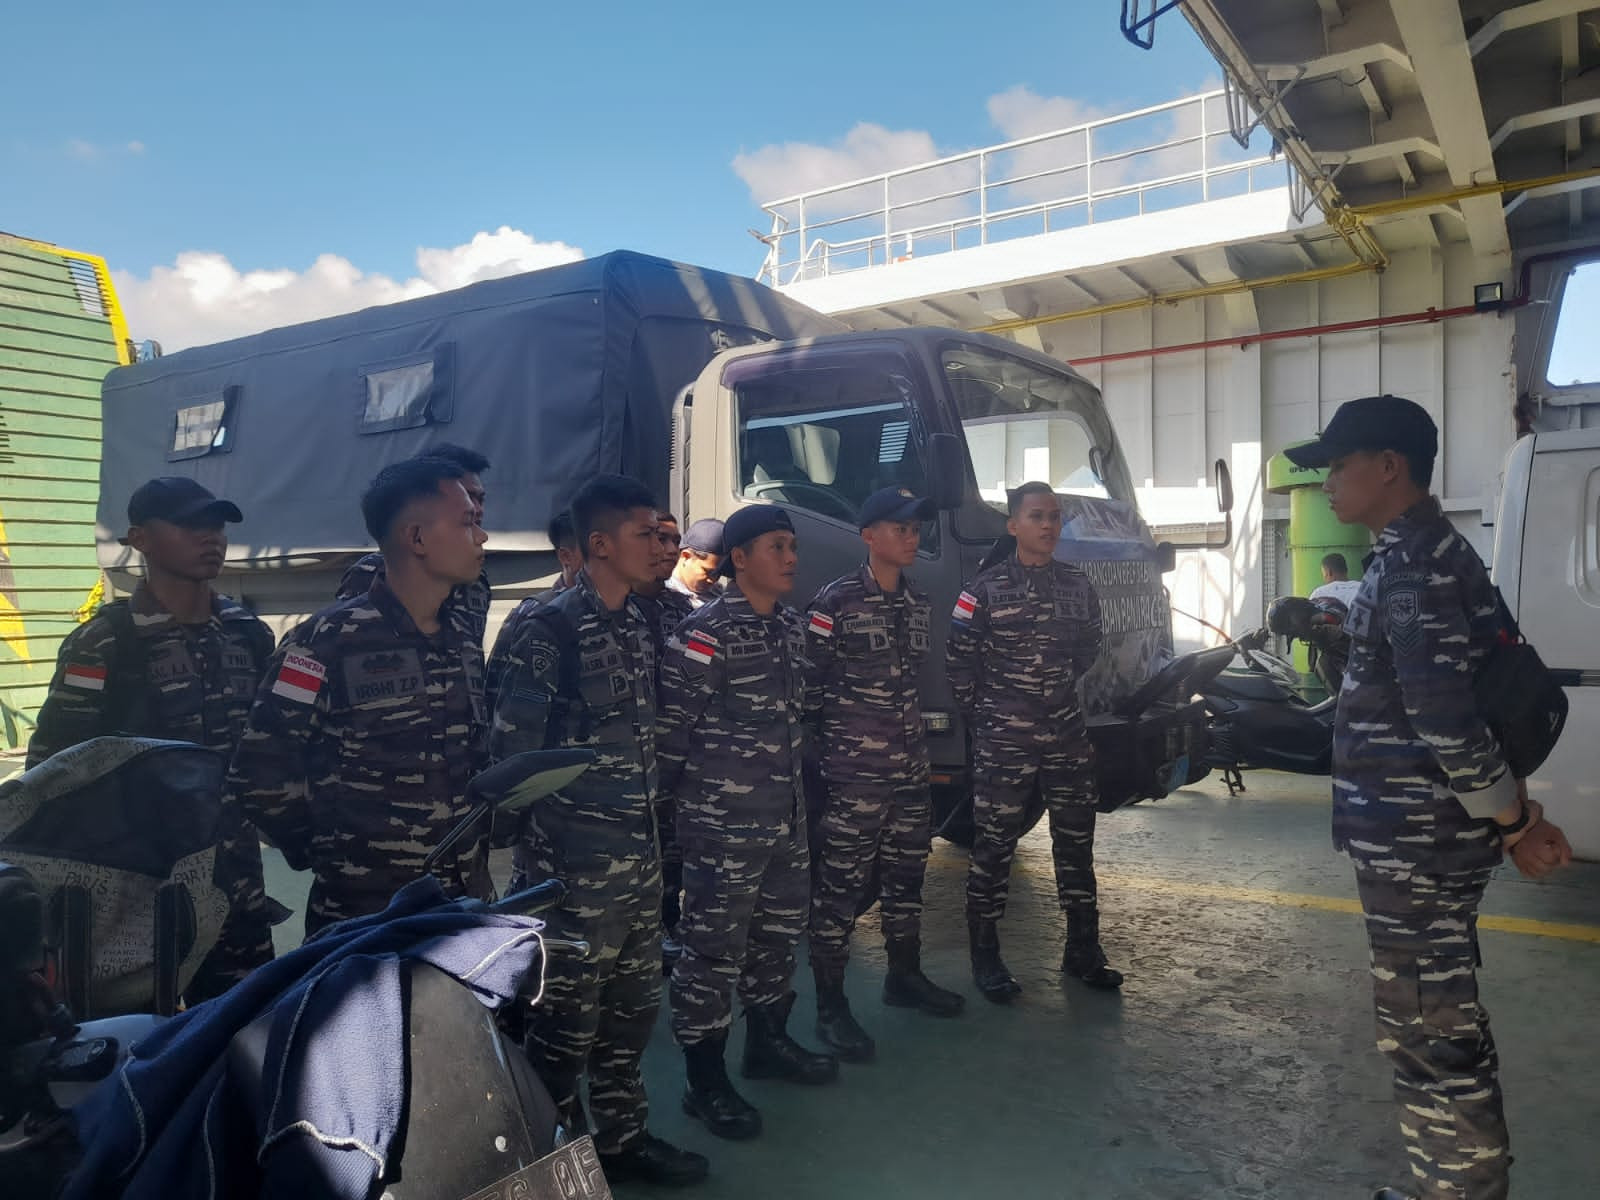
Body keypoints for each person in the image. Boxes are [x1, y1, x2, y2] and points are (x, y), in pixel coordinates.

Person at [1284, 395, 1573, 1200]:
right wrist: (1518, 821)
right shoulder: (1423, 556)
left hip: (1416, 843)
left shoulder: (1413, 567)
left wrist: (1515, 822)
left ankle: (1457, 1190)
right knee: (1433, 1018)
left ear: (1389, 468)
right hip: (1422, 837)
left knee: (1428, 1028)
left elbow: (1445, 718)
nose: (1329, 481)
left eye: (1339, 465)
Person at [488, 476, 706, 1187]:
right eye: (646, 534)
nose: (662, 546)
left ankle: (621, 1138)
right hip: (570, 880)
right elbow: (512, 763)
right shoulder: (544, 630)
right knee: (559, 1035)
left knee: (631, 1020)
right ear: (600, 544)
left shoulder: (642, 621)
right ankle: (550, 1160)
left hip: (639, 870)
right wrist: (543, 866)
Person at [28, 476, 278, 999]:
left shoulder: (248, 634)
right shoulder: (105, 642)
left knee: (244, 1031)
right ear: (139, 538)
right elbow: (55, 773)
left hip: (234, 886)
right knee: (143, 1043)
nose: (211, 537)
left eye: (217, 525)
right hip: (136, 897)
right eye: (190, 525)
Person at [221, 457, 490, 938]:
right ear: (417, 538)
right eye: (468, 522)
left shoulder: (463, 640)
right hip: (366, 919)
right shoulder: (324, 641)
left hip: (461, 908)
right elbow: (260, 773)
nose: (483, 536)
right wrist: (329, 850)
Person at [657, 505, 836, 1142]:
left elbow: (800, 718)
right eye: (776, 546)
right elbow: (670, 733)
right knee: (712, 953)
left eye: (792, 545)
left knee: (777, 936)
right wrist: (680, 818)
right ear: (739, 559)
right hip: (722, 825)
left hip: (783, 819)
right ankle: (703, 1082)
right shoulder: (705, 632)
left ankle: (767, 1044)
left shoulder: (790, 627)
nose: (791, 557)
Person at [804, 487, 964, 1062]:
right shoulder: (836, 602)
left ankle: (904, 977)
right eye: (899, 528)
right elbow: (806, 688)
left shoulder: (918, 601)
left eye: (916, 527)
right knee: (840, 889)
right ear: (869, 535)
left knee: (906, 878)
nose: (911, 536)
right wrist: (834, 758)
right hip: (856, 775)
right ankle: (830, 1005)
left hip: (909, 769)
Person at [947, 481, 1120, 1003]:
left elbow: (1089, 646)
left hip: (1066, 734)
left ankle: (1083, 949)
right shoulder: (983, 590)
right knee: (994, 845)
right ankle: (986, 954)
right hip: (1005, 741)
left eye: (1055, 516)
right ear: (1013, 525)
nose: (1048, 525)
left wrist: (1052, 691)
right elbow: (959, 665)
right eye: (1037, 516)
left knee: (1076, 842)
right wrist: (995, 715)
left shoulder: (1077, 584)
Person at [335, 443, 493, 645]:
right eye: (468, 497)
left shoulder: (477, 582)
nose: (477, 509)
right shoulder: (373, 573)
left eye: (481, 499)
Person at [629, 512, 696, 974]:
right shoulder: (619, 607)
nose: (668, 548)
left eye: (674, 539)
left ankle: (666, 928)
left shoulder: (681, 610)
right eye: (658, 538)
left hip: (673, 755)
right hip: (627, 761)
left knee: (670, 851)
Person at [666, 518, 724, 608]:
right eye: (708, 572)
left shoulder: (717, 591)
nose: (712, 580)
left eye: (718, 573)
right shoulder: (664, 595)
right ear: (686, 557)